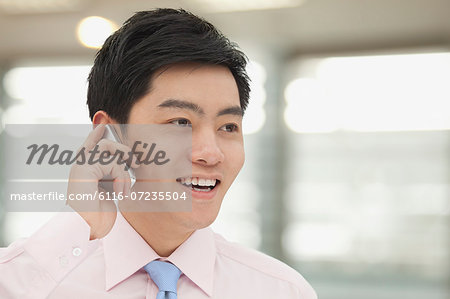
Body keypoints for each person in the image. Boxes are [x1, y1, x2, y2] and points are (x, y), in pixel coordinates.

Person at [0, 8, 317, 299]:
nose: (211, 153)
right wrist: (79, 225)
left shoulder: (280, 290)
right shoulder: (32, 279)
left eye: (228, 126)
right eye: (180, 122)